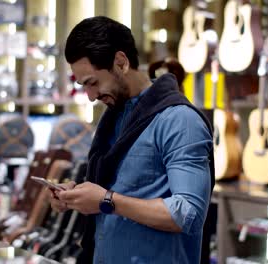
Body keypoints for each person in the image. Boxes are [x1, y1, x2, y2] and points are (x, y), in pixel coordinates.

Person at [49, 16, 214, 264]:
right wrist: (77, 197)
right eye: (84, 86)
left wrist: (106, 201)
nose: (91, 96)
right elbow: (118, 190)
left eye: (93, 83)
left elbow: (188, 213)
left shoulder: (179, 121)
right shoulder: (114, 118)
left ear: (121, 62)